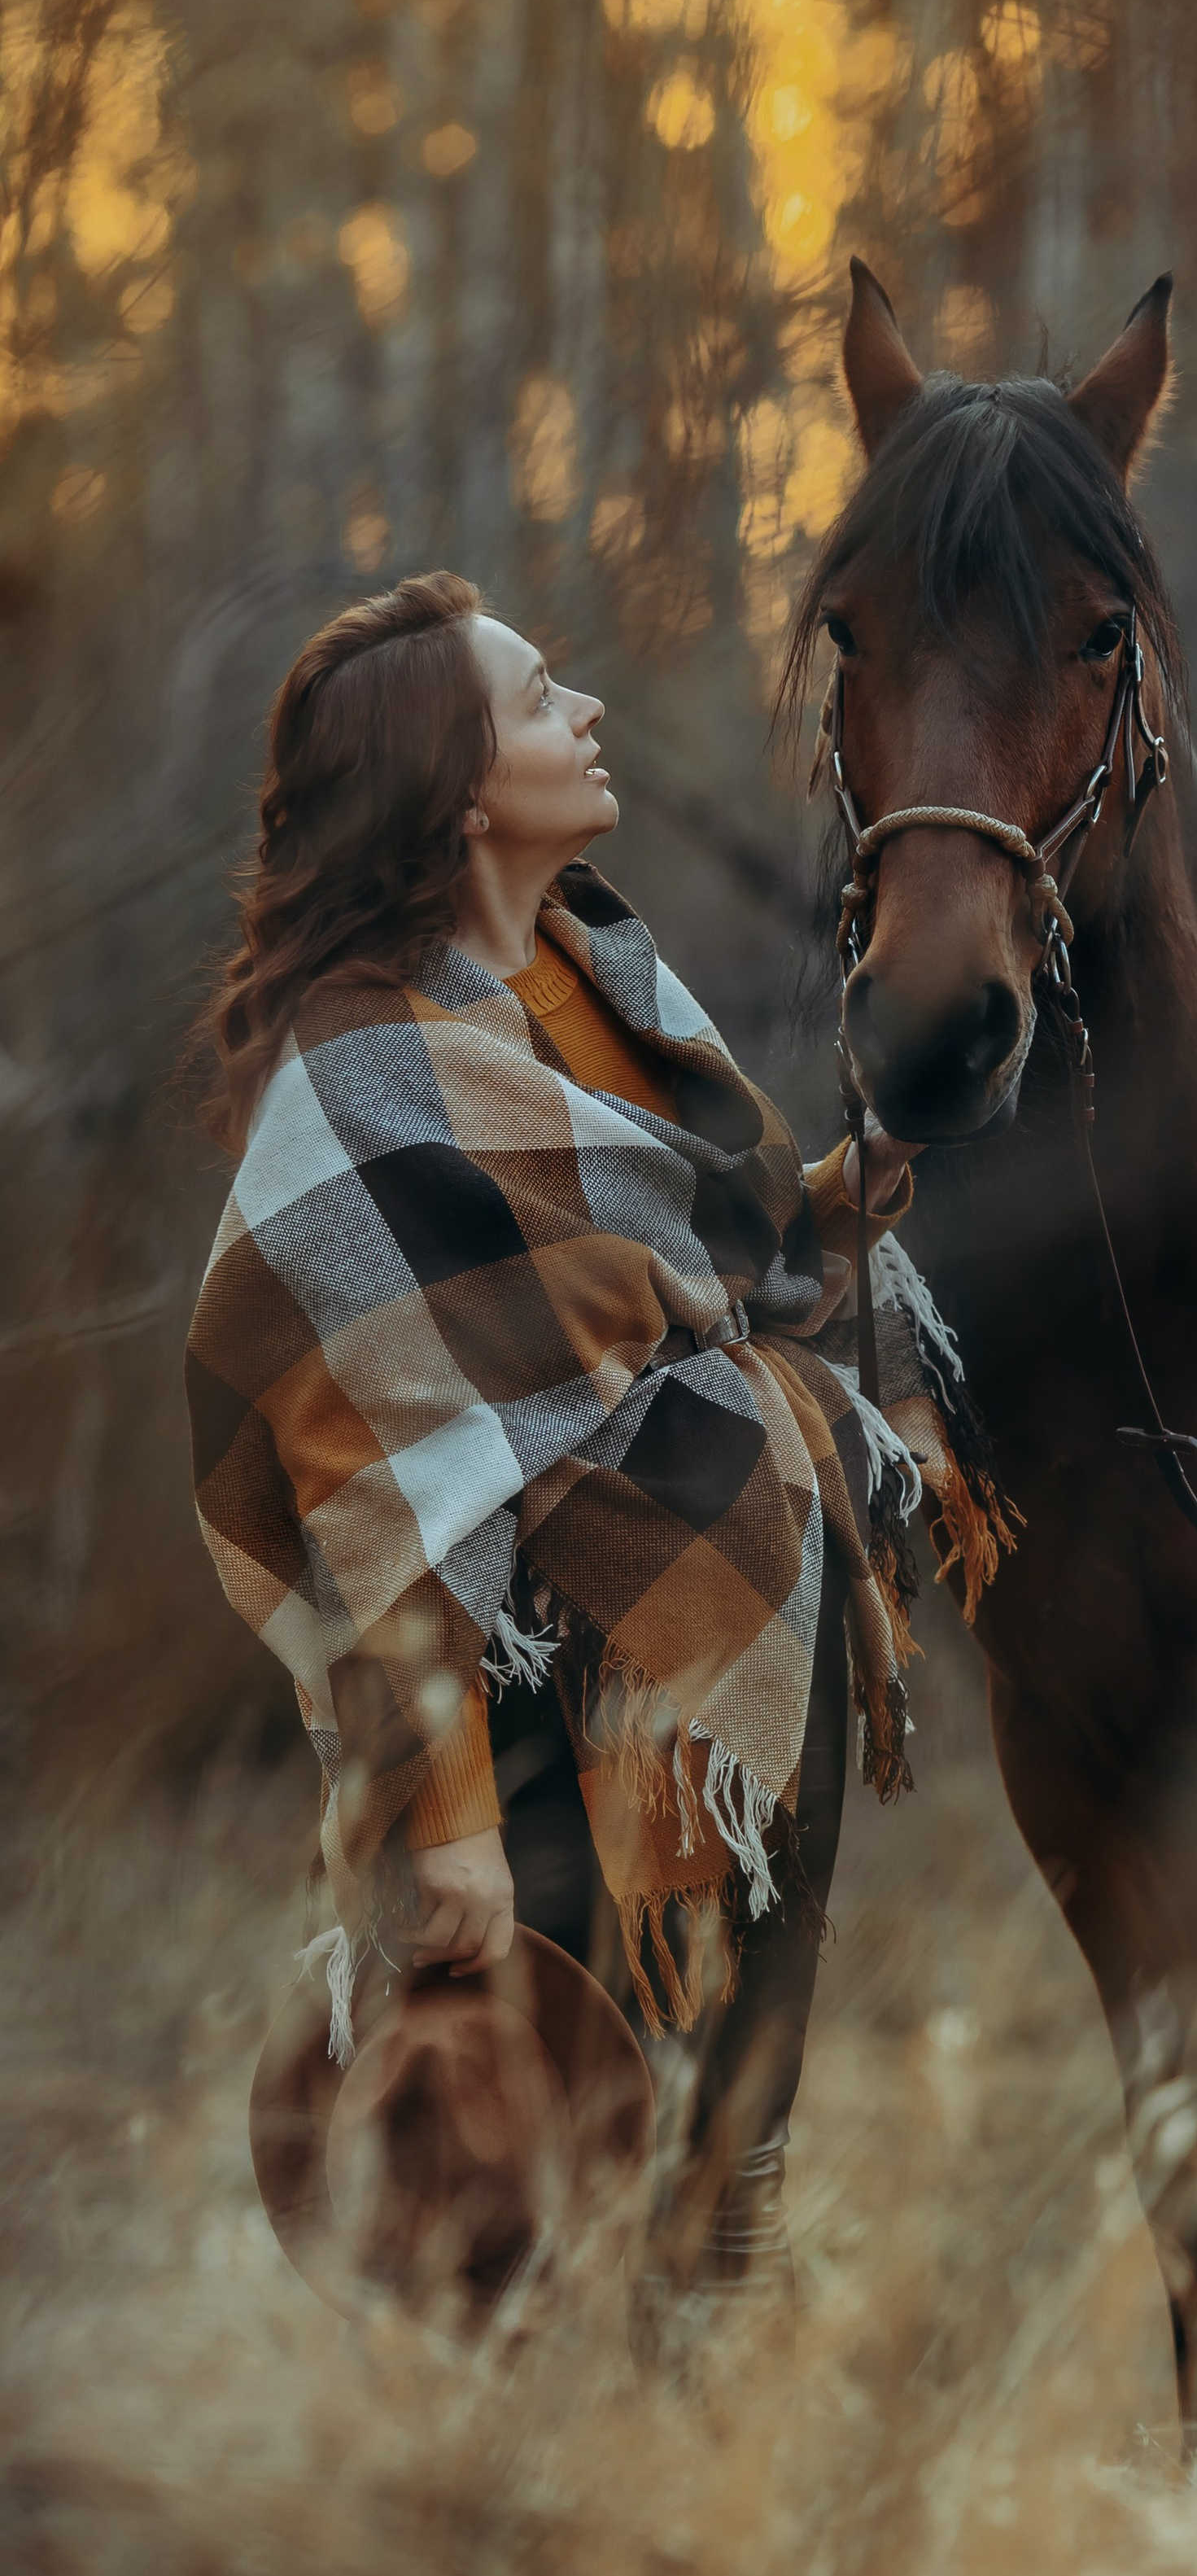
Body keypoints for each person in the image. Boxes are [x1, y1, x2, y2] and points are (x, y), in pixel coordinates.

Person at [189, 571, 1005, 2331]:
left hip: (714, 1652)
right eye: (543, 694)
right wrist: (449, 1823)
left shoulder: (590, 972)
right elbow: (372, 1503)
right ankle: (528, 2506)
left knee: (728, 2109)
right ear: (464, 789)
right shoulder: (357, 1083)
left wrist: (823, 1220)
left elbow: (667, 1272)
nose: (591, 713)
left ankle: (692, 2415)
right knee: (559, 2144)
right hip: (536, 1700)